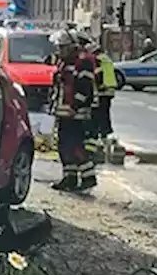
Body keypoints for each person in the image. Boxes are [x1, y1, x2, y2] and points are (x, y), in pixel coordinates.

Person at [49, 29, 97, 192]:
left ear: (71, 47)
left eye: (62, 47)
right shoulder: (64, 62)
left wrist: (74, 107)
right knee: (64, 146)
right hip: (64, 113)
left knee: (76, 146)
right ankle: (69, 178)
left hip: (77, 114)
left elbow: (85, 89)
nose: (59, 51)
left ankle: (88, 177)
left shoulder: (82, 62)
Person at [90, 40, 117, 140]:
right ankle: (106, 131)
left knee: (99, 113)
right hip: (110, 89)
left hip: (103, 90)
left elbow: (98, 75)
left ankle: (101, 131)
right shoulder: (107, 58)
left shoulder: (98, 60)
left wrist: (97, 87)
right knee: (105, 112)